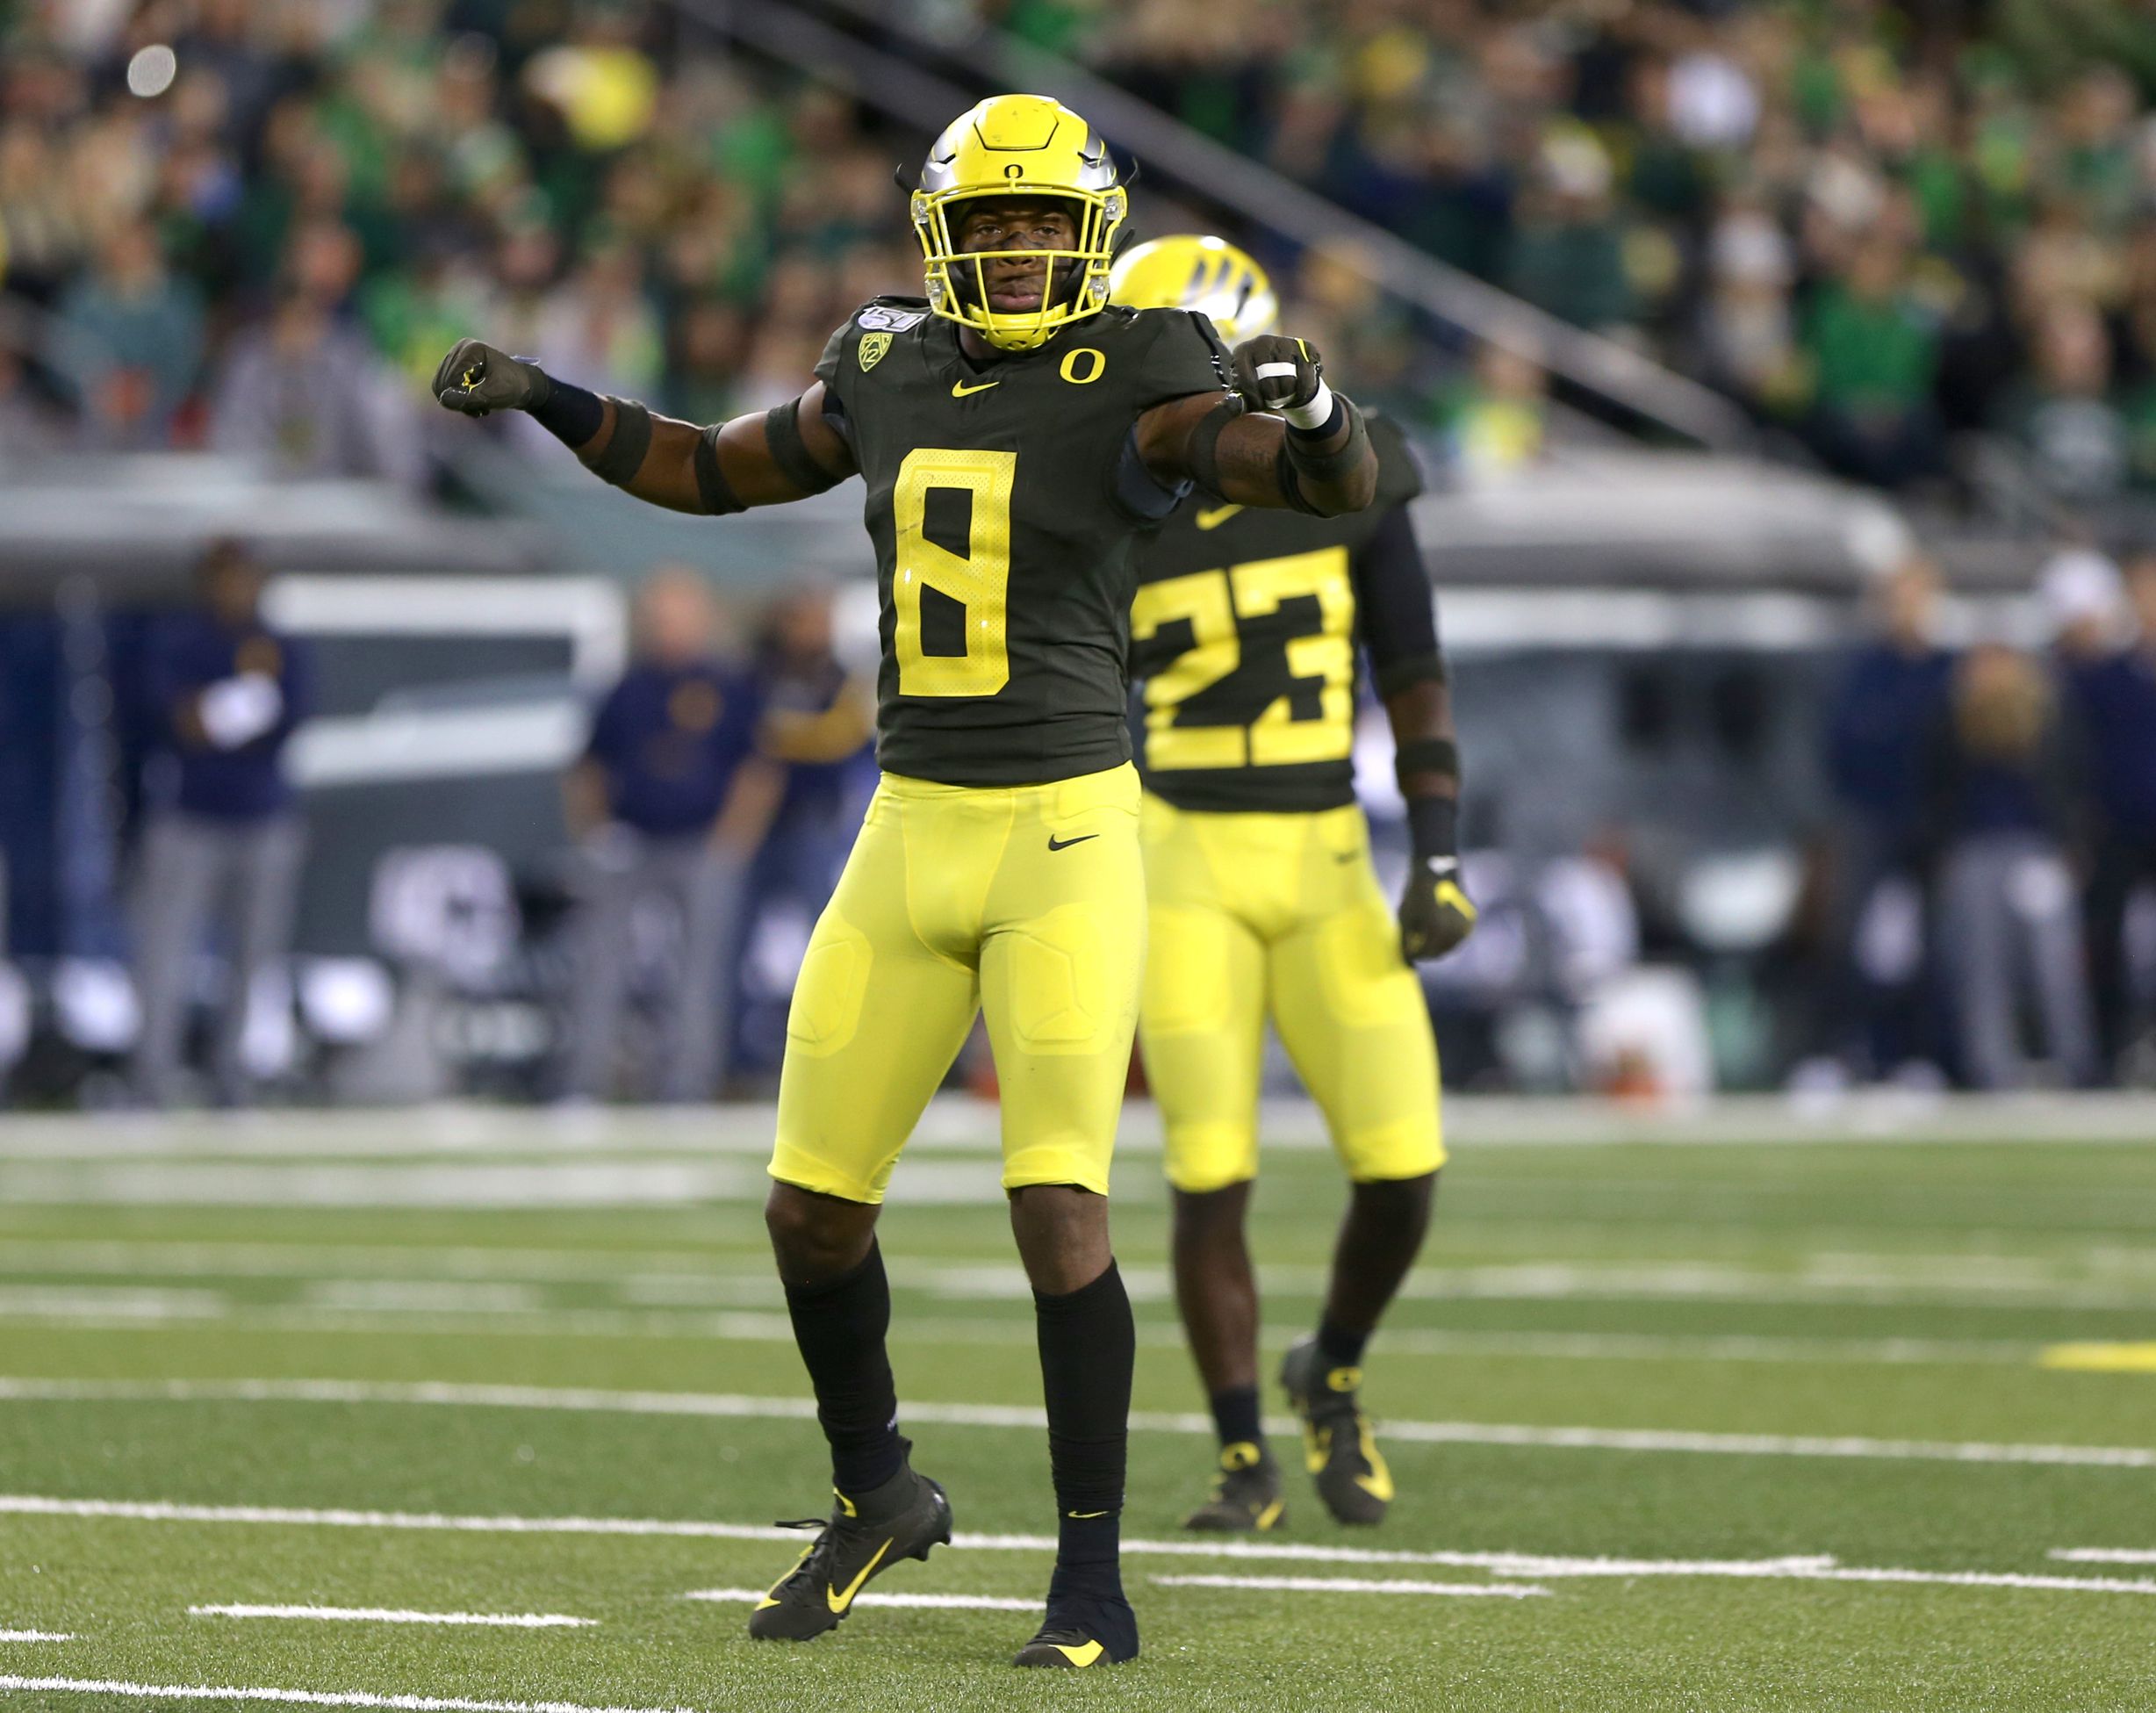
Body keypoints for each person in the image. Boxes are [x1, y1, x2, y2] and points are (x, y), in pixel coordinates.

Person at [432, 93, 1377, 1668]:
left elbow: (1298, 480)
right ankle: (876, 1487)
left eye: (1036, 224)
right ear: (943, 231)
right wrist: (549, 396)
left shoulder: (1143, 362)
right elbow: (712, 472)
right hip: (910, 823)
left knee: (1056, 1208)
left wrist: (1325, 419)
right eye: (988, 223)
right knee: (809, 1210)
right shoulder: (885, 358)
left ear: (1088, 234)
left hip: (1067, 832)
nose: (1012, 250)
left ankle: (1091, 1577)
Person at [1110, 235, 1473, 1533]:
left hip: (1323, 852)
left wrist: (1435, 846)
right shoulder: (1109, 499)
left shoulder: (1343, 461)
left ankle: (1332, 1365)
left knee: (1405, 1162)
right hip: (1181, 859)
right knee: (1211, 1173)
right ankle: (1238, 1453)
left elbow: (1414, 660)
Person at [561, 566, 778, 1103]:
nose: (668, 627)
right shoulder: (628, 687)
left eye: (678, 615)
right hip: (631, 842)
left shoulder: (729, 686)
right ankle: (583, 1086)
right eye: (660, 616)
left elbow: (758, 770)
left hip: (701, 843)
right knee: (599, 965)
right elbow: (588, 767)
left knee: (700, 973)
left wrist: (731, 842)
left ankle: (687, 1088)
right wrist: (598, 833)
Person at [130, 538, 312, 1106]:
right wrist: (238, 705)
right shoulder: (180, 639)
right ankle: (150, 1082)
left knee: (255, 957)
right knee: (164, 953)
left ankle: (234, 1082)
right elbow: (176, 719)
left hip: (263, 819)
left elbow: (292, 716)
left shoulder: (281, 643)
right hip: (189, 816)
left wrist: (226, 709)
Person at [1923, 642, 2095, 1090]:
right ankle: (1990, 1068)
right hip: (1976, 850)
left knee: (2055, 965)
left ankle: (2075, 1062)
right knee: (1981, 967)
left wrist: (2072, 845)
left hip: (2038, 851)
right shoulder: (1952, 720)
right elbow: (1937, 790)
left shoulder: (2050, 717)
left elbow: (2073, 783)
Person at [1815, 555, 1955, 1079]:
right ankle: (1847, 1049)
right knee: (1849, 939)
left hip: (1931, 823)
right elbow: (1841, 749)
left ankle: (1925, 1052)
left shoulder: (1946, 669)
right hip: (1872, 818)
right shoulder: (1863, 670)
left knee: (1937, 943)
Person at [734, 584, 875, 1079]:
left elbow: (841, 737)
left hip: (815, 820)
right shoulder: (758, 673)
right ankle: (738, 1058)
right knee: (734, 941)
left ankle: (838, 1047)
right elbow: (743, 733)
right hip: (753, 823)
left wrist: (778, 736)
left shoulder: (837, 678)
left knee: (830, 937)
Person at [2058, 551, 2156, 1076]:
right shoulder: (2105, 678)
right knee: (2107, 941)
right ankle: (2110, 1052)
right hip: (2122, 827)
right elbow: (2080, 760)